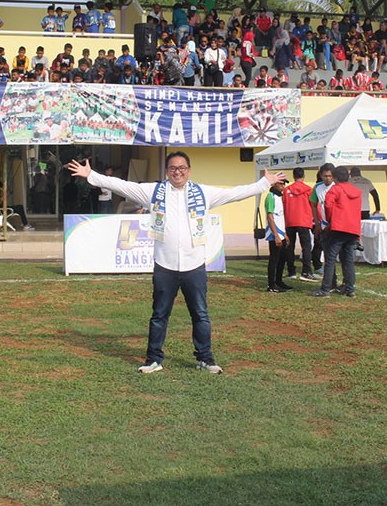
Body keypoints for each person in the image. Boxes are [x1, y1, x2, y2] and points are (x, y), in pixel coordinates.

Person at [66, 153, 285, 374]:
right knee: (159, 315)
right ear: (167, 171)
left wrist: (264, 183)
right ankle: (153, 359)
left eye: (182, 168)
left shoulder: (203, 193)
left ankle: (206, 359)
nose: (177, 172)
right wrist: (91, 175)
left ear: (189, 170)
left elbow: (234, 194)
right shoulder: (154, 192)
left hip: (194, 266)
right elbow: (122, 186)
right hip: (165, 266)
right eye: (173, 168)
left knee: (200, 314)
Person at [315, 167, 362, 298]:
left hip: (338, 228)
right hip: (353, 229)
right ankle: (350, 289)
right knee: (348, 260)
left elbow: (328, 206)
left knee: (330, 259)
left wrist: (331, 220)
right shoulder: (357, 191)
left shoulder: (335, 189)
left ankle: (325, 289)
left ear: (335, 178)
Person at [282, 167, 316, 281]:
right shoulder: (309, 190)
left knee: (289, 247)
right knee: (306, 247)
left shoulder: (287, 190)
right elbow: (314, 206)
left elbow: (283, 205)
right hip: (304, 221)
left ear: (293, 176)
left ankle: (291, 271)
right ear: (304, 176)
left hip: (290, 221)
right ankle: (306, 271)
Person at [263, 177, 291, 293]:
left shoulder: (280, 197)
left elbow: (280, 217)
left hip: (281, 232)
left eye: (284, 184)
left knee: (283, 258)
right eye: (280, 184)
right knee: (274, 259)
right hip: (274, 233)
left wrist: (285, 234)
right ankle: (271, 285)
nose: (283, 186)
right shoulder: (271, 197)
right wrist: (276, 235)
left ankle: (279, 281)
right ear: (274, 184)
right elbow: (270, 216)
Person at [309, 164, 336, 272]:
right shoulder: (317, 187)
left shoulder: (337, 186)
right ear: (321, 175)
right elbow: (313, 204)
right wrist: (317, 223)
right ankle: (330, 281)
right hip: (324, 225)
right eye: (325, 176)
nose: (328, 178)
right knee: (327, 252)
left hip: (337, 224)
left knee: (338, 254)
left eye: (330, 176)